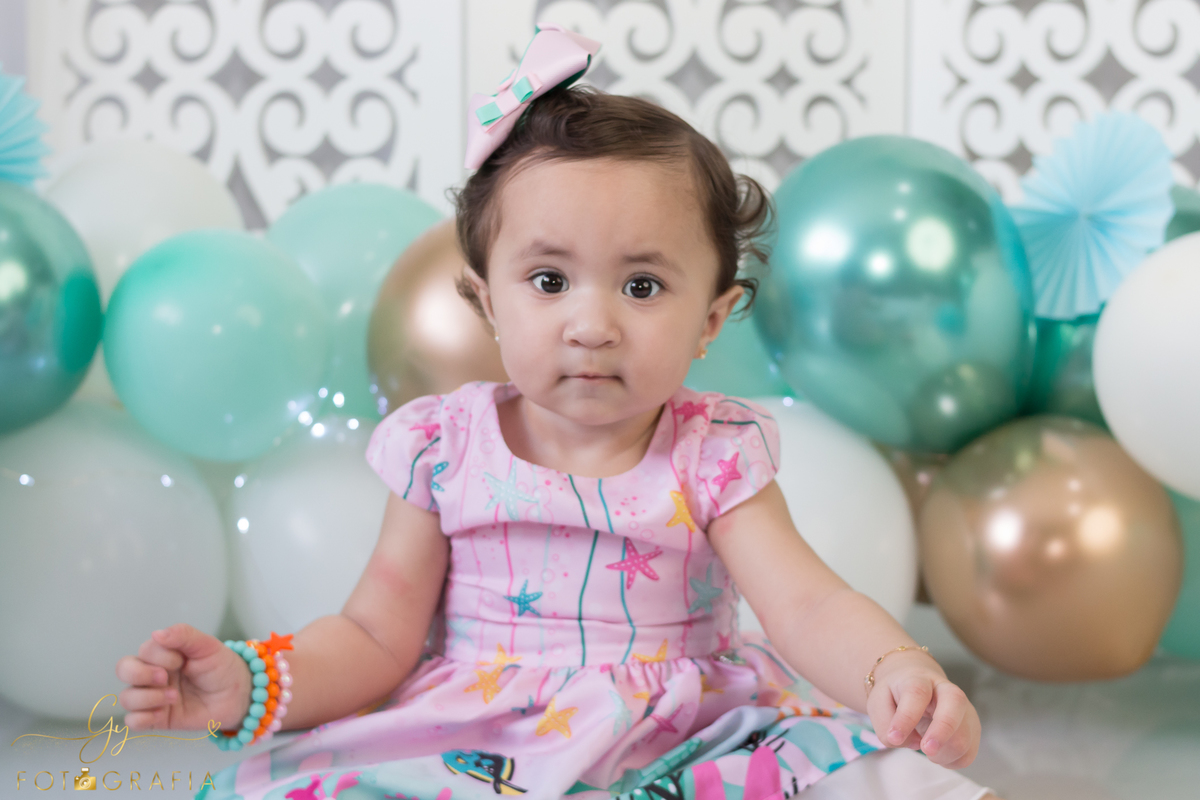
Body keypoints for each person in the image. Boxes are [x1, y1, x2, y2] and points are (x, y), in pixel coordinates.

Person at [114, 25, 998, 800]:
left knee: (883, 778)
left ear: (711, 319)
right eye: (548, 281)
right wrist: (249, 682)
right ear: (486, 300)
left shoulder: (712, 452)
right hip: (482, 741)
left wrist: (897, 668)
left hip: (691, 739)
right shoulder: (443, 448)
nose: (592, 324)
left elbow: (806, 607)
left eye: (643, 285)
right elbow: (374, 635)